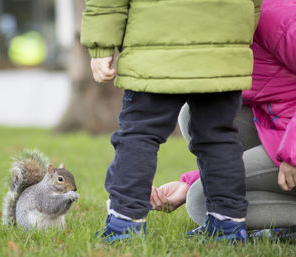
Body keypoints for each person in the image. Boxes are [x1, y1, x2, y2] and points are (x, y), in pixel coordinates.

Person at [81, 0, 262, 242]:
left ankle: (124, 223)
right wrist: (235, 39)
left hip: (154, 53)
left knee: (140, 134)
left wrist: (100, 47)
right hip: (221, 52)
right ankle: (227, 225)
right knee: (219, 138)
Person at [151, 0, 296, 234]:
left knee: (206, 202)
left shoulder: (274, 15)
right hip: (286, 129)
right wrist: (189, 182)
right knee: (198, 113)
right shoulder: (221, 26)